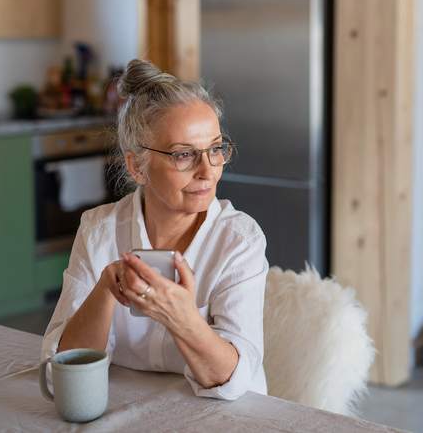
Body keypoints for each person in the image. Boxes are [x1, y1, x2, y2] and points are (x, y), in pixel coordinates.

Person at [41, 59, 269, 400]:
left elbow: (236, 378)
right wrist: (105, 289)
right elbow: (59, 374)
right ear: (137, 166)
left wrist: (181, 318)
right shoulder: (99, 231)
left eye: (216, 149)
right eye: (183, 155)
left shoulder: (238, 240)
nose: (208, 172)